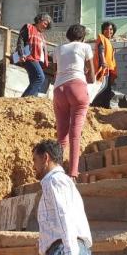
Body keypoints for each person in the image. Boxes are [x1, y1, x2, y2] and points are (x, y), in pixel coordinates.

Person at [23, 140, 94, 255]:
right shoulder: (66, 183)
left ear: (46, 158)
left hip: (64, 254)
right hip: (81, 252)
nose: (34, 166)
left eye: (35, 160)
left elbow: (65, 217)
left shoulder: (53, 180)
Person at [53, 24, 96, 180]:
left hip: (59, 90)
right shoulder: (85, 47)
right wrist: (85, 74)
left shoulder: (58, 49)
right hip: (77, 88)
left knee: (62, 135)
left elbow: (55, 71)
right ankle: (73, 173)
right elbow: (92, 77)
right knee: (75, 133)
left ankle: (56, 170)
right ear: (83, 37)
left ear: (68, 36)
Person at [16, 13, 52, 97]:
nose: (46, 26)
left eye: (47, 25)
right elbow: (20, 41)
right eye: (45, 23)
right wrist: (21, 54)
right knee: (40, 78)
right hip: (30, 57)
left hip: (39, 60)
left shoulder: (41, 35)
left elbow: (42, 50)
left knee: (34, 81)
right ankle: (24, 99)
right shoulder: (29, 27)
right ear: (39, 20)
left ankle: (31, 100)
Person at [91, 22, 118, 108]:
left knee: (107, 89)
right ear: (103, 30)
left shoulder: (109, 42)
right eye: (106, 29)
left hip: (109, 68)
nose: (109, 31)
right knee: (102, 87)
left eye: (111, 29)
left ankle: (106, 106)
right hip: (103, 68)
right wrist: (103, 62)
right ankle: (91, 103)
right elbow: (101, 49)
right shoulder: (101, 37)